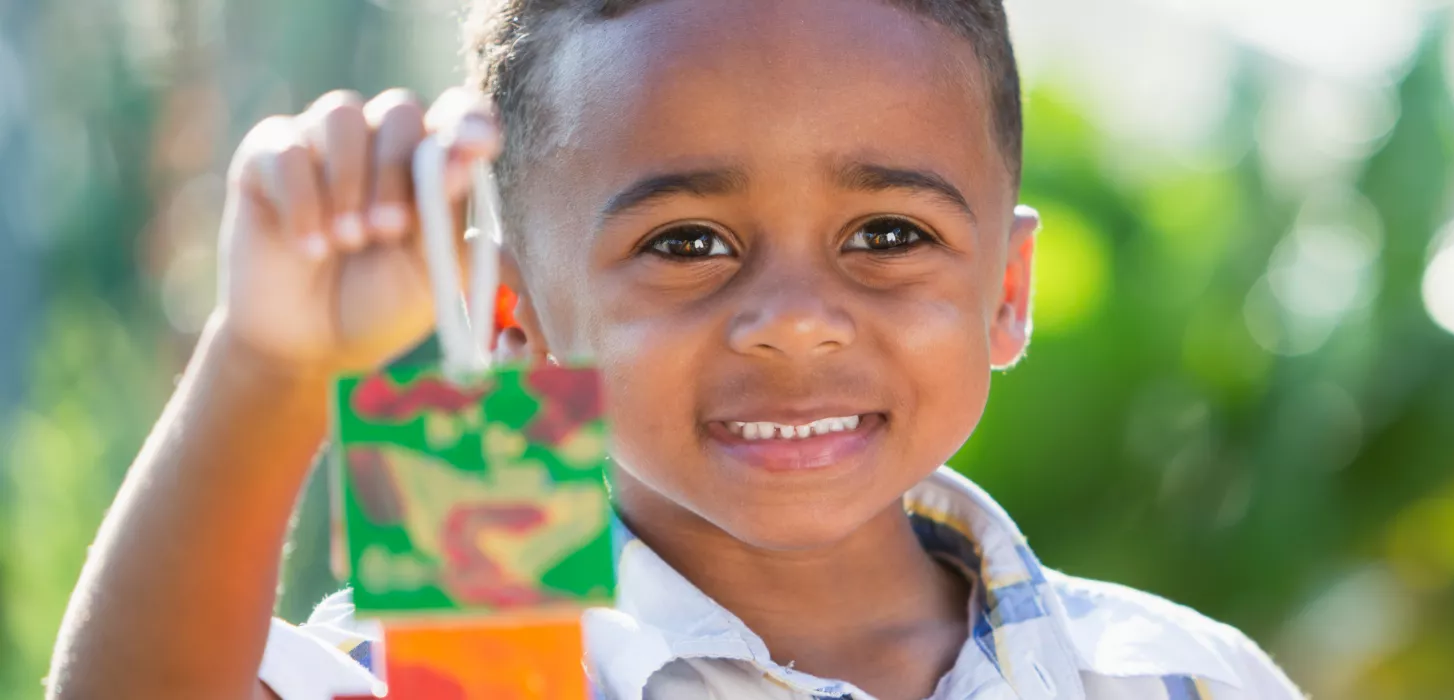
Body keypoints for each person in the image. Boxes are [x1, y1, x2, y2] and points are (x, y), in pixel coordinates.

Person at [44, 0, 1304, 698]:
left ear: (1007, 291)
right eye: (687, 243)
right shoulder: (477, 642)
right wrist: (268, 367)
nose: (794, 316)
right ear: (511, 319)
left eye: (887, 233)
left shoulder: (1179, 675)